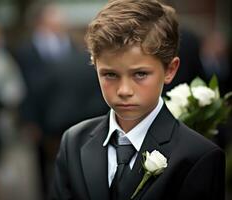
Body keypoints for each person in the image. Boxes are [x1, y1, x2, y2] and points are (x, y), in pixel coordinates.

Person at [49, 0, 225, 200]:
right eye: (110, 75)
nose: (124, 90)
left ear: (170, 69)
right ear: (96, 67)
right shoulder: (73, 142)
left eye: (140, 74)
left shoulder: (198, 156)